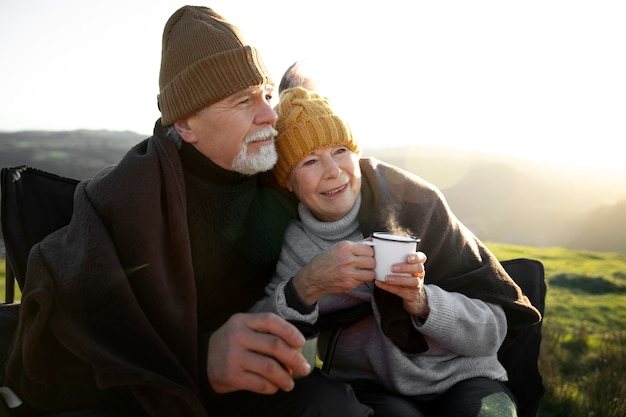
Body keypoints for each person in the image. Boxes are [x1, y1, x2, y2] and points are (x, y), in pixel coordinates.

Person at [4, 7, 375, 417]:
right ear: (185, 126)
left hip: (266, 379)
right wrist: (200, 362)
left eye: (267, 94)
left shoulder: (280, 174)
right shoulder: (122, 200)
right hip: (161, 394)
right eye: (242, 101)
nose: (269, 115)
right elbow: (48, 363)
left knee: (335, 406)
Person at [250, 66, 542, 416]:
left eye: (341, 150)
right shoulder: (298, 245)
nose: (333, 171)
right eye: (310, 161)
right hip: (374, 391)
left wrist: (423, 301)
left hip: (466, 377)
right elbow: (261, 334)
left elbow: (492, 332)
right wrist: (307, 284)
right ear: (288, 182)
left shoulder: (417, 205)